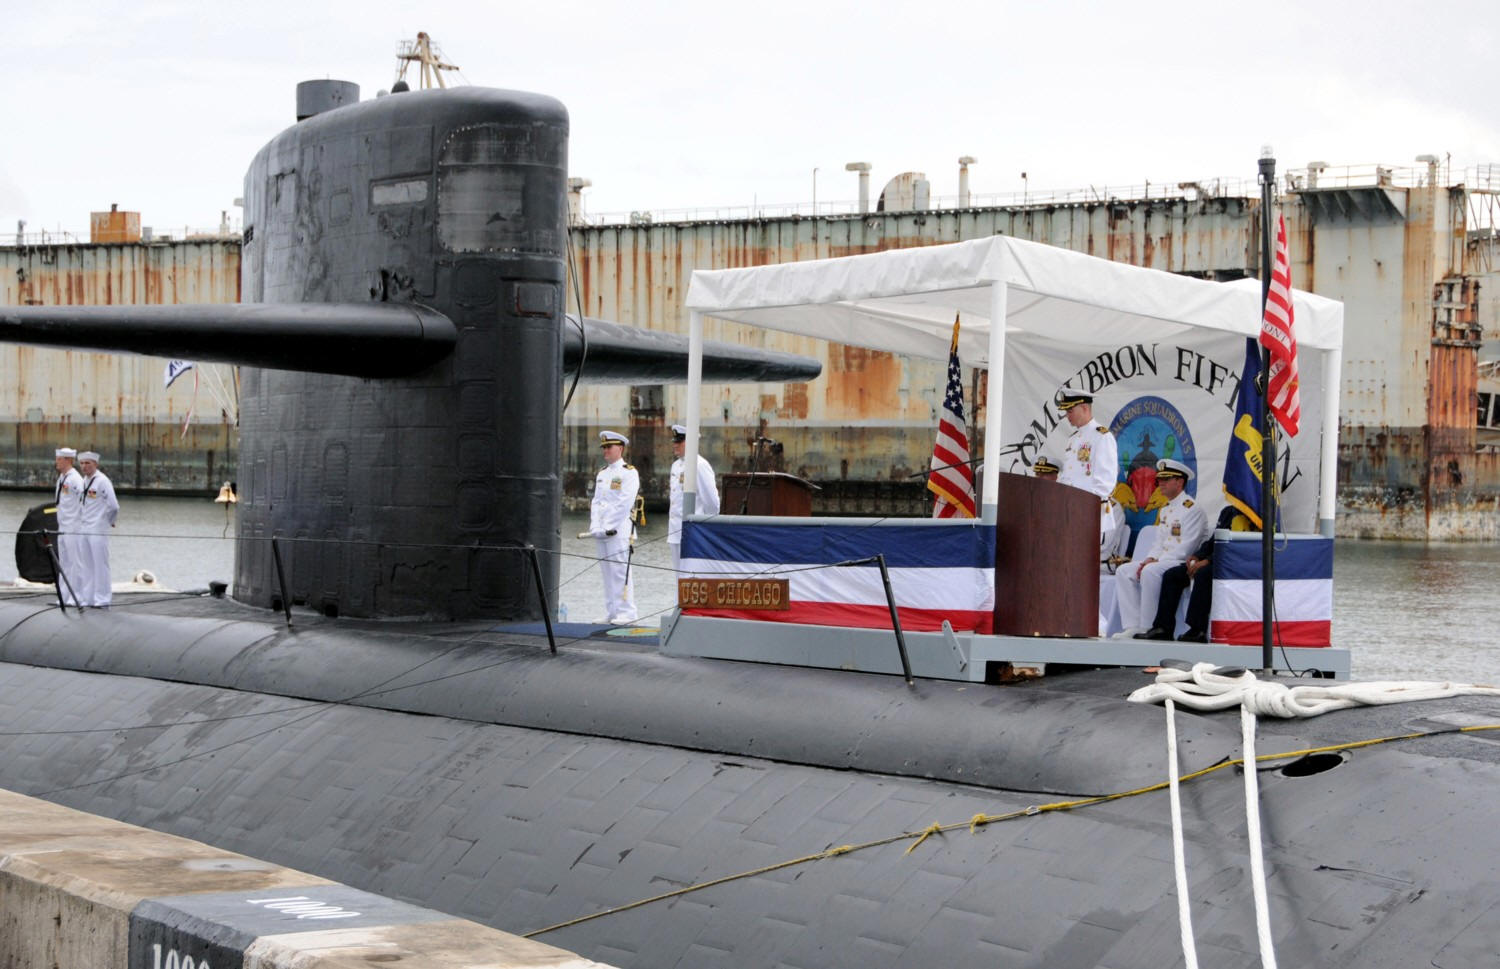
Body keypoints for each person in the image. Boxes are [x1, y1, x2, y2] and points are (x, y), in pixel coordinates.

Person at [1114, 458, 1206, 638]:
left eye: (1165, 480)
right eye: (1159, 480)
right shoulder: (1165, 509)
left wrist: (1153, 563)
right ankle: (1132, 625)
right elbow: (1159, 543)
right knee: (1124, 571)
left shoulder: (1192, 509)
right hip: (1163, 560)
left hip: (1180, 562)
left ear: (1179, 482)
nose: (1160, 484)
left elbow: (1186, 548)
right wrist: (1149, 558)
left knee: (1150, 572)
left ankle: (1149, 626)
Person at [1137, 507, 1254, 642]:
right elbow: (1213, 541)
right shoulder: (1228, 511)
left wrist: (1208, 561)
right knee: (1172, 575)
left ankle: (1197, 629)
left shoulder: (1255, 514)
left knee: (1203, 574)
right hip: (1213, 559)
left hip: (1233, 563)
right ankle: (1163, 628)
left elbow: (1239, 547)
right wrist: (1197, 556)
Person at [1055, 390, 1120, 550]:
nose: (1067, 416)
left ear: (1084, 407)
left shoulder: (1101, 436)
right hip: (1070, 511)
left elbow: (1105, 482)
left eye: (1070, 411)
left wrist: (1084, 507)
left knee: (1082, 565)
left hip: (1089, 514)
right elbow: (1068, 477)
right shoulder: (1073, 439)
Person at [589, 430, 639, 624]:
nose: (605, 451)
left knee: (620, 571)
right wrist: (595, 526)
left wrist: (608, 526)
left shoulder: (629, 472)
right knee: (607, 572)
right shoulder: (602, 474)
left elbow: (624, 503)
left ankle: (627, 613)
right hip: (601, 531)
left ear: (620, 448)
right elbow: (596, 502)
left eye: (609, 447)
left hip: (619, 531)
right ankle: (612, 611)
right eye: (604, 448)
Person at [667, 423, 720, 573]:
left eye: (679, 442)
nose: (675, 446)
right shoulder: (676, 466)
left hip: (694, 532)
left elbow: (712, 502)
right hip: (675, 531)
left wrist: (706, 527)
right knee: (679, 579)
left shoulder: (700, 465)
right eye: (674, 442)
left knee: (692, 577)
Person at [74, 451, 120, 608]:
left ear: (95, 464)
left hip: (98, 528)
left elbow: (113, 505)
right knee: (87, 565)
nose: (84, 466)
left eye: (88, 463)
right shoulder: (84, 481)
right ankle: (88, 598)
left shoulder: (102, 481)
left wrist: (109, 521)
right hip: (85, 527)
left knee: (100, 565)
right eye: (82, 463)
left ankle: (103, 598)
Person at [53, 447, 84, 605]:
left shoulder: (75, 479)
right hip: (63, 526)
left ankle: (76, 595)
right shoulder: (62, 478)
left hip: (73, 526)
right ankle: (64, 596)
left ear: (67, 460)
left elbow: (83, 500)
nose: (56, 462)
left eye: (59, 459)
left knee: (74, 562)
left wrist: (81, 521)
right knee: (64, 562)